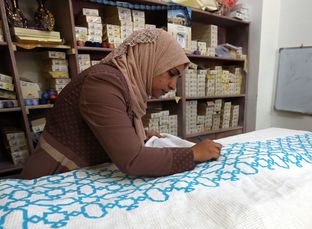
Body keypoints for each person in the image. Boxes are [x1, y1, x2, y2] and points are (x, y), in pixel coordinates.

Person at [20, 29, 222, 179]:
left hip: (78, 173)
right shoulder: (103, 83)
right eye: (171, 74)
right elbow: (134, 160)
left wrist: (137, 134)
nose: (172, 86)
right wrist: (193, 153)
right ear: (149, 59)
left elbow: (106, 128)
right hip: (52, 177)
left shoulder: (121, 81)